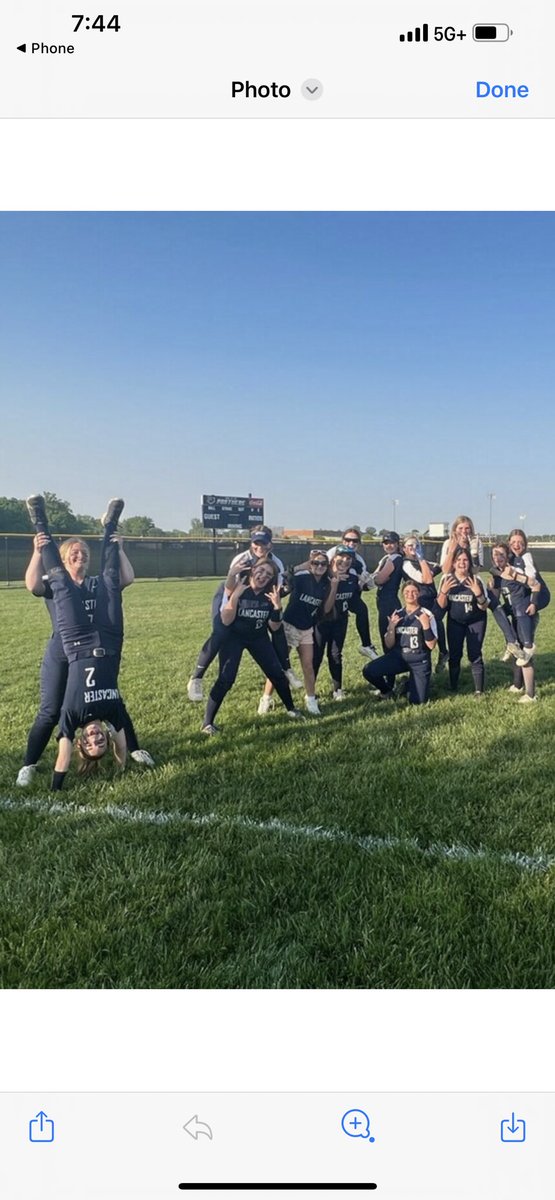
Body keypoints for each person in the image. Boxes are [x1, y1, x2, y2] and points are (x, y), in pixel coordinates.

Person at [16, 520, 153, 787]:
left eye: (84, 553)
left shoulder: (95, 583)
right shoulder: (56, 581)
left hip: (97, 651)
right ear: (63, 559)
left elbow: (126, 579)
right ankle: (28, 764)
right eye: (74, 553)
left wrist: (120, 549)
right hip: (62, 650)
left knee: (111, 699)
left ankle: (135, 748)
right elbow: (33, 585)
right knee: (51, 710)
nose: (80, 556)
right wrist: (37, 552)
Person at [187, 525, 301, 701]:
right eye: (256, 543)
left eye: (263, 543)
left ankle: (286, 669)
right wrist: (233, 603)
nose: (259, 547)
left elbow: (274, 591)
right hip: (231, 593)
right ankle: (196, 677)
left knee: (277, 628)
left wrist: (286, 589)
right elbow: (230, 587)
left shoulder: (276, 562)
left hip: (256, 598)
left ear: (270, 544)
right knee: (221, 631)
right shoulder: (242, 559)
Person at [201, 559, 304, 734]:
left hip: (258, 637)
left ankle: (291, 708)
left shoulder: (269, 594)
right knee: (226, 679)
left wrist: (277, 607)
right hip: (234, 638)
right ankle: (207, 723)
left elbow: (274, 627)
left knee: (276, 673)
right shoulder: (239, 587)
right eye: (261, 571)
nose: (263, 576)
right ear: (253, 570)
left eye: (269, 575)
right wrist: (235, 596)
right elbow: (226, 621)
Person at [259, 549, 337, 715]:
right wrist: (298, 569)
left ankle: (311, 699)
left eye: (323, 564)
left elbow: (326, 609)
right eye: (315, 563)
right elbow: (284, 581)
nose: (319, 566)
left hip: (307, 628)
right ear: (310, 564)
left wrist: (334, 586)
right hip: (289, 626)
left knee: (308, 666)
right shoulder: (302, 578)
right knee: (280, 666)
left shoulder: (326, 583)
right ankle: (266, 698)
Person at [363, 579, 438, 704]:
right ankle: (387, 691)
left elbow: (431, 645)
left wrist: (426, 625)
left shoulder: (426, 614)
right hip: (399, 658)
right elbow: (389, 644)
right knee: (369, 670)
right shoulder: (397, 614)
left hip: (419, 660)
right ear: (402, 594)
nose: (410, 594)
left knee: (418, 702)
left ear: (419, 593)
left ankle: (408, 684)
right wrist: (391, 628)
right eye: (407, 592)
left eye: (414, 591)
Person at [434, 547, 489, 697]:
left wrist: (478, 594)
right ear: (453, 563)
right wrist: (444, 591)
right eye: (458, 560)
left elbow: (484, 606)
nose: (462, 563)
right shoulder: (447, 579)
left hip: (475, 621)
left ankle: (479, 690)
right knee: (455, 654)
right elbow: (441, 606)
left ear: (470, 562)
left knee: (474, 653)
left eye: (465, 560)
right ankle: (453, 686)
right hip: (455, 621)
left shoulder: (476, 579)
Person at [489, 541, 539, 704]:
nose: (498, 557)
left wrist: (533, 603)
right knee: (516, 650)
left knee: (525, 654)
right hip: (514, 615)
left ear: (508, 555)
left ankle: (531, 694)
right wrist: (490, 588)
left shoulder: (515, 571)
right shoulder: (497, 574)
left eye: (501, 554)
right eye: (495, 554)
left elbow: (535, 584)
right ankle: (518, 685)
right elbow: (495, 599)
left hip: (525, 615)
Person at [313, 546, 363, 701]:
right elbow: (324, 608)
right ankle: (310, 690)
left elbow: (354, 600)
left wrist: (364, 584)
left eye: (348, 558)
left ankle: (337, 689)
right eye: (341, 557)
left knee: (335, 654)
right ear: (334, 558)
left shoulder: (352, 578)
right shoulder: (324, 576)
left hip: (340, 620)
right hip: (321, 620)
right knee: (317, 655)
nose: (345, 561)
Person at [326, 528, 379, 660]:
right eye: (348, 540)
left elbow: (360, 585)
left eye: (355, 540)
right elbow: (320, 568)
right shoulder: (332, 552)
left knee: (362, 609)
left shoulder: (359, 560)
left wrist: (367, 584)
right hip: (329, 592)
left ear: (359, 543)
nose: (351, 543)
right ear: (342, 541)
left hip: (346, 592)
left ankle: (366, 644)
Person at [401, 535, 448, 672]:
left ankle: (443, 652)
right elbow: (425, 579)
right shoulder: (406, 564)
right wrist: (425, 565)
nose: (414, 548)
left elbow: (439, 567)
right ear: (404, 549)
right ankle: (423, 665)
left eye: (416, 545)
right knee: (424, 632)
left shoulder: (422, 561)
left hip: (431, 599)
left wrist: (430, 569)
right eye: (410, 545)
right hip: (419, 601)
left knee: (437, 623)